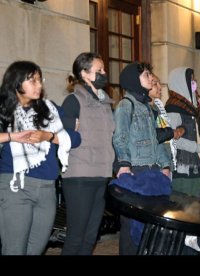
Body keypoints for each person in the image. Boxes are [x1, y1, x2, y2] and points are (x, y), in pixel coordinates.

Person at [0, 61, 72, 255]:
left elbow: (75, 137)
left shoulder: (49, 109)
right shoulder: (3, 110)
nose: (39, 85)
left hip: (47, 188)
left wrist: (48, 136)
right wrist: (11, 136)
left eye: (40, 80)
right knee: (14, 250)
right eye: (32, 81)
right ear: (16, 84)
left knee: (37, 248)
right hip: (15, 186)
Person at [113, 62, 171, 255]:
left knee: (149, 224)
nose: (151, 78)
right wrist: (124, 164)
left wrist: (164, 165)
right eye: (146, 75)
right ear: (133, 80)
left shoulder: (147, 108)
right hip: (135, 171)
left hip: (152, 171)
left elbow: (156, 140)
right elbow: (120, 137)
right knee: (131, 226)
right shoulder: (125, 105)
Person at [60, 52, 115, 255]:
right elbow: (63, 133)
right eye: (98, 70)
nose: (104, 73)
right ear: (84, 73)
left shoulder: (105, 104)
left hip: (101, 174)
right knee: (76, 237)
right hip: (79, 176)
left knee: (90, 237)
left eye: (103, 69)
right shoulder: (73, 101)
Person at [165, 67, 200, 196]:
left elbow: (196, 132)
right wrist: (197, 147)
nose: (194, 83)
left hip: (194, 166)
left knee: (194, 209)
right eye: (191, 81)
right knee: (183, 209)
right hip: (182, 169)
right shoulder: (173, 107)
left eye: (194, 80)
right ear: (181, 83)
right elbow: (173, 139)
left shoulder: (191, 108)